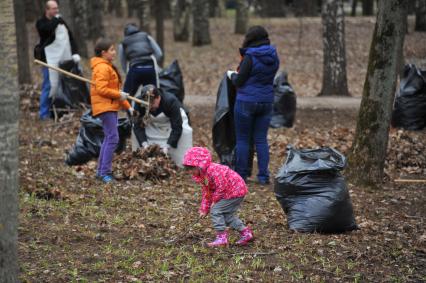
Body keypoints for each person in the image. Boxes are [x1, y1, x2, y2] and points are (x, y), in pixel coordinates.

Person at [227, 25, 279, 185]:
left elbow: (240, 80)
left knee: (243, 139)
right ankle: (263, 176)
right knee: (261, 139)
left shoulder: (250, 56)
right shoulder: (273, 55)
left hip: (246, 102)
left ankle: (241, 175)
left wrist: (231, 75)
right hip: (266, 102)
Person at [183, 147, 254, 247]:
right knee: (227, 216)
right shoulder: (203, 175)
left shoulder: (213, 170)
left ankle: (221, 238)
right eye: (188, 169)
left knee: (216, 210)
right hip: (230, 192)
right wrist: (204, 209)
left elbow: (222, 186)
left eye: (192, 169)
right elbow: (207, 192)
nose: (191, 172)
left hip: (234, 191)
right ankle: (246, 233)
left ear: (200, 165)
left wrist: (215, 200)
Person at [90, 38, 133, 183]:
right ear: (103, 53)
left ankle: (101, 172)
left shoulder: (106, 66)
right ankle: (104, 173)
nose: (114, 52)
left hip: (109, 106)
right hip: (105, 106)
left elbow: (115, 90)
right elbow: (102, 89)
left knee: (109, 138)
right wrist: (119, 95)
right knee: (113, 138)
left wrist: (128, 107)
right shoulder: (102, 67)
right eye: (112, 50)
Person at [35, 0, 80, 120]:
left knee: (67, 84)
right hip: (48, 60)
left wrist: (75, 53)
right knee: (49, 86)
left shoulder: (60, 21)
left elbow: (70, 37)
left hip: (64, 59)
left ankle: (63, 109)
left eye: (57, 8)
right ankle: (44, 114)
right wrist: (56, 20)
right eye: (54, 9)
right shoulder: (41, 22)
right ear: (47, 10)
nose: (57, 11)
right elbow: (46, 31)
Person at [131, 85, 192, 167]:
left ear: (158, 97)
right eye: (147, 105)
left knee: (186, 132)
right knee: (133, 130)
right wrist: (144, 144)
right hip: (151, 123)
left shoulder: (170, 101)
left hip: (170, 124)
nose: (150, 106)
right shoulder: (139, 102)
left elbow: (177, 126)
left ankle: (180, 163)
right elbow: (137, 125)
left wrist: (168, 146)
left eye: (152, 103)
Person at [118, 23, 163, 96]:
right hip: (150, 69)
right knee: (153, 96)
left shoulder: (123, 42)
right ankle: (152, 107)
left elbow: (123, 61)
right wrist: (153, 64)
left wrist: (127, 73)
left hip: (135, 70)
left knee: (126, 96)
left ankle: (127, 107)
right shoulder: (146, 36)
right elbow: (159, 53)